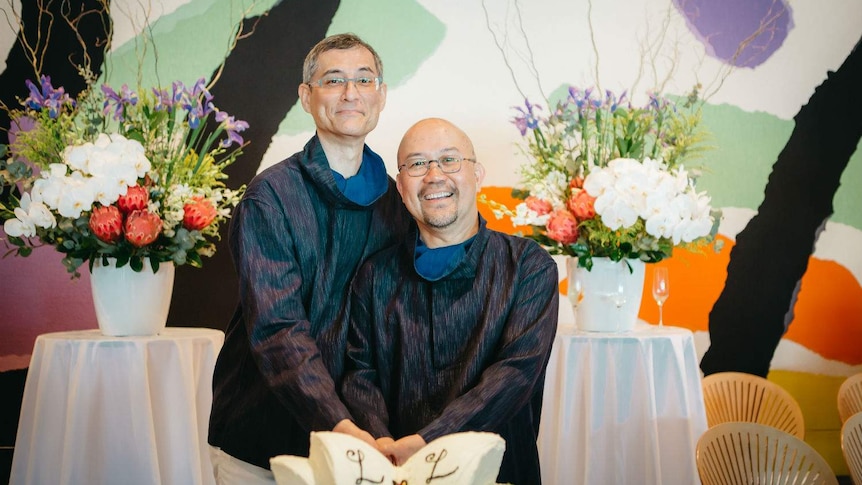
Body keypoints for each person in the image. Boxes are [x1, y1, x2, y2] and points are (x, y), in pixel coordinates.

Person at [208, 33, 411, 484]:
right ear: (306, 96)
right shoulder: (271, 197)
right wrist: (336, 423)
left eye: (364, 79)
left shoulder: (402, 203)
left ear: (381, 94)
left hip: (374, 444)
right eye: (333, 80)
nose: (350, 93)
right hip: (263, 437)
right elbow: (278, 328)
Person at [341, 118, 559, 484]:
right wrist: (384, 446)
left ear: (477, 174)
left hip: (497, 472)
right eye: (417, 164)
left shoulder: (528, 266)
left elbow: (515, 375)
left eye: (449, 160)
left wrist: (429, 442)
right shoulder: (374, 274)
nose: (433, 175)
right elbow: (359, 373)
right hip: (396, 473)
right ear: (401, 186)